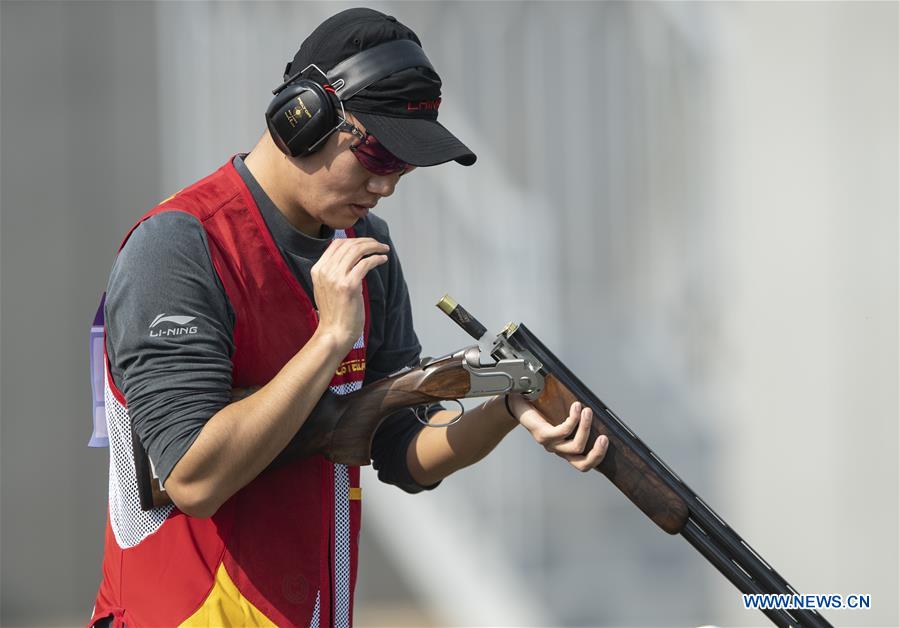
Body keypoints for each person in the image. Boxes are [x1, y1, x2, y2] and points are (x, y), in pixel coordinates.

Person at [89, 8, 608, 627]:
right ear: (302, 117)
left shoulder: (365, 246)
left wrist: (505, 410)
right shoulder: (177, 248)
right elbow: (193, 479)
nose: (387, 185)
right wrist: (331, 338)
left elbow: (403, 450)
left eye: (404, 167)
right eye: (379, 155)